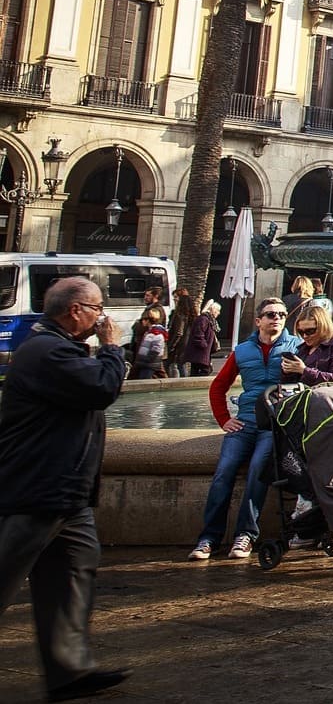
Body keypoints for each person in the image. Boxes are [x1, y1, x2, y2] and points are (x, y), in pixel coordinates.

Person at [0, 277, 130, 702]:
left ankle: (68, 669)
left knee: (73, 571)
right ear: (75, 311)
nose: (102, 316)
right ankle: (67, 667)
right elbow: (101, 388)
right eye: (96, 307)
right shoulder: (48, 351)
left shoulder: (55, 348)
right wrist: (112, 347)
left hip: (65, 493)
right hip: (39, 489)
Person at [189, 298, 302, 562]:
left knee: (257, 472)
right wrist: (224, 420)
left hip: (275, 424)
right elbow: (218, 387)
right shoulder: (242, 351)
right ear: (259, 320)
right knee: (224, 472)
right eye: (271, 314)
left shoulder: (296, 346)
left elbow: (309, 382)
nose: (277, 318)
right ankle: (208, 538)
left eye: (282, 314)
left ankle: (246, 534)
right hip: (245, 421)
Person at [290, 303, 333, 385]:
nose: (305, 336)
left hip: (325, 395)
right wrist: (287, 371)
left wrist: (304, 370)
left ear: (323, 327)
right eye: (301, 332)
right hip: (303, 394)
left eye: (310, 331)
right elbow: (292, 381)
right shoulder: (303, 348)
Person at [183, 300, 221, 378]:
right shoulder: (204, 319)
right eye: (218, 311)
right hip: (200, 353)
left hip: (202, 353)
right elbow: (199, 334)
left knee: (197, 371)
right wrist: (204, 346)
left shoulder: (209, 320)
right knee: (205, 370)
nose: (219, 313)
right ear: (213, 310)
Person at [129, 305, 167, 380]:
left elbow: (156, 349)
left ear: (148, 320)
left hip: (149, 364)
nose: (141, 322)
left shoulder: (156, 333)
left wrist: (147, 359)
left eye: (143, 320)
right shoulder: (149, 332)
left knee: (145, 382)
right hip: (145, 364)